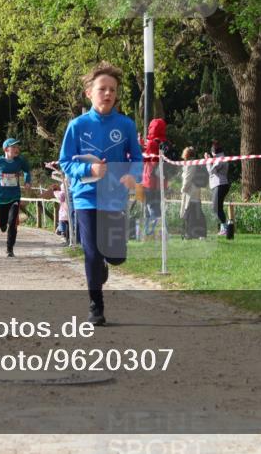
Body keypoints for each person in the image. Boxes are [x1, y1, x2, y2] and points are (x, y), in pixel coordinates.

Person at [59, 61, 143, 326]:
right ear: (89, 93)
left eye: (112, 90)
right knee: (92, 252)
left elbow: (137, 158)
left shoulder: (126, 125)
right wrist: (88, 168)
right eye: (102, 89)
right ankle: (96, 304)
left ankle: (104, 265)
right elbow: (65, 162)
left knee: (115, 255)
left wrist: (133, 175)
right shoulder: (77, 125)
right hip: (85, 195)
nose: (108, 94)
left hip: (114, 196)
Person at [0, 138, 32, 258]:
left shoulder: (20, 161)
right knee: (2, 223)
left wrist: (27, 181)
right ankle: (2, 225)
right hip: (1, 198)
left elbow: (27, 171)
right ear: (6, 149)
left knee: (12, 223)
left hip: (14, 196)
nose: (17, 149)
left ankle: (9, 248)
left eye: (17, 147)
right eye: (13, 147)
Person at [141, 118, 169, 239]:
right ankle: (153, 231)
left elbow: (145, 159)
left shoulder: (152, 143)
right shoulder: (166, 143)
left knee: (150, 206)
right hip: (162, 181)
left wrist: (140, 147)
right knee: (158, 206)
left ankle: (154, 232)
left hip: (150, 181)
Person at [205, 140, 233, 239]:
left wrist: (208, 161)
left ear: (213, 151)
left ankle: (225, 227)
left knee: (215, 207)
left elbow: (211, 171)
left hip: (220, 184)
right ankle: (224, 228)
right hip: (219, 184)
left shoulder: (219, 159)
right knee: (218, 207)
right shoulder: (220, 157)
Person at [180, 147, 207, 240]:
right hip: (195, 191)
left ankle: (191, 233)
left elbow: (187, 178)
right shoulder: (194, 162)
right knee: (195, 212)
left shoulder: (190, 164)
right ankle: (196, 233)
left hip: (190, 191)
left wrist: (182, 189)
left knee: (190, 213)